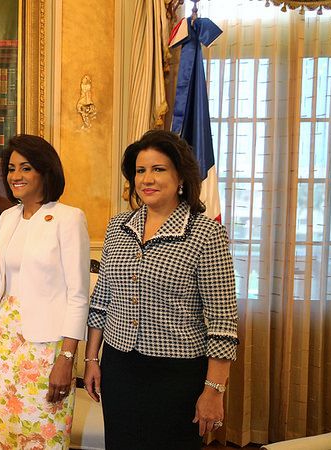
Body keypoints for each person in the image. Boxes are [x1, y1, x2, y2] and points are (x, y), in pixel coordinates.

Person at [83, 129, 238, 449]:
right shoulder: (118, 227)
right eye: (140, 170)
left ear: (180, 175)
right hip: (119, 369)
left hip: (176, 378)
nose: (147, 179)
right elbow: (101, 300)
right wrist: (91, 358)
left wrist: (213, 391)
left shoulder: (206, 234)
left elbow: (223, 322)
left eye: (158, 169)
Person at [0, 134, 90, 449]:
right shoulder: (7, 218)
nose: (15, 176)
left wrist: (67, 358)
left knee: (41, 436)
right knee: (0, 435)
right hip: (3, 343)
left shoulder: (68, 218)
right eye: (11, 169)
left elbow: (79, 295)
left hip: (46, 349)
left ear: (45, 171)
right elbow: (0, 285)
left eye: (25, 168)